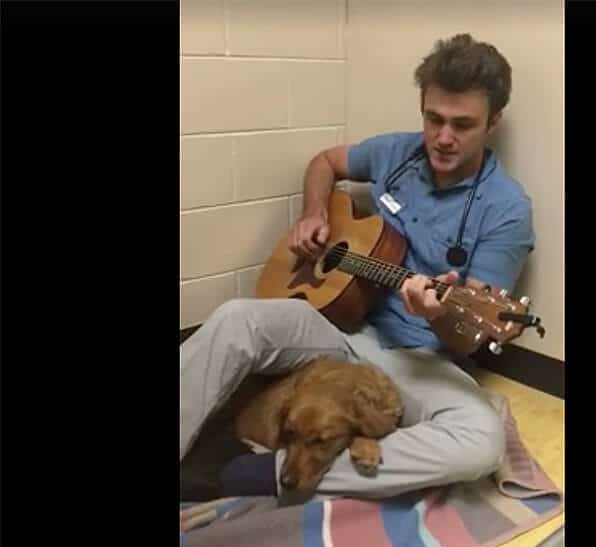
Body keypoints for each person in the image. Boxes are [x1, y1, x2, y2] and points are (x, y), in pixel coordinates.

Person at [180, 33, 535, 504]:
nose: (443, 138)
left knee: (480, 442)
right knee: (235, 319)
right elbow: (325, 162)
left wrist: (436, 314)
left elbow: (468, 333)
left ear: (494, 123)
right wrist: (314, 213)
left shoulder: (506, 209)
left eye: (463, 125)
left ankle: (258, 473)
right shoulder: (396, 152)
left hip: (420, 360)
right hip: (339, 323)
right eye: (434, 119)